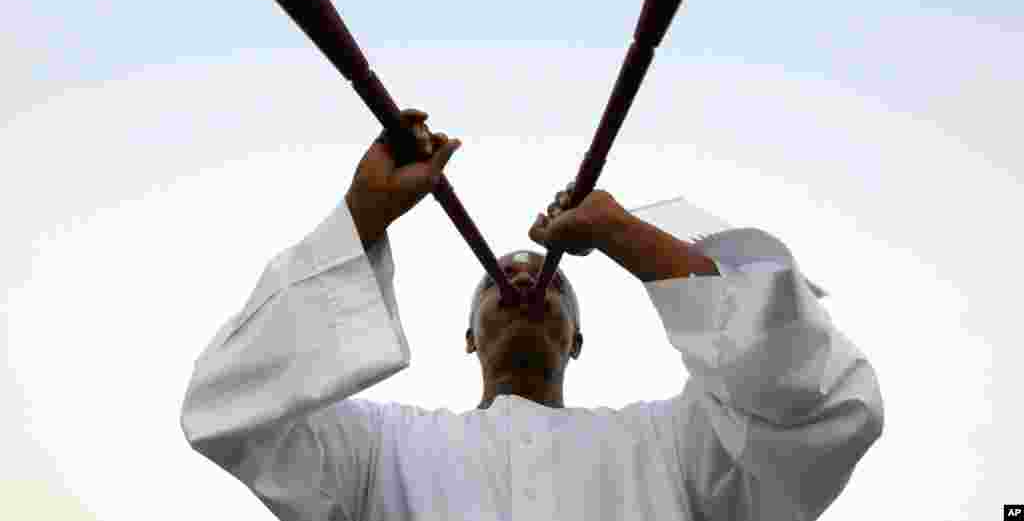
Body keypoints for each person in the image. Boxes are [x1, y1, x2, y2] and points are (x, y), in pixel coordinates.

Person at [181, 108, 883, 521]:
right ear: (466, 337)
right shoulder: (379, 453)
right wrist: (360, 218)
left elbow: (827, 411)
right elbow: (228, 410)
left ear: (577, 339)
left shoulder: (670, 446)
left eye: (550, 281)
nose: (520, 274)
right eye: (495, 281)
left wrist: (627, 236)